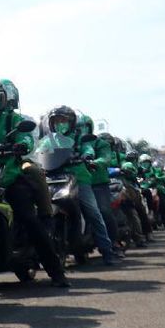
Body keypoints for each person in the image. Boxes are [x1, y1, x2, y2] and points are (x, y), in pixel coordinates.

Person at [0, 79, 69, 287]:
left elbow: (27, 138)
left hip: (9, 177)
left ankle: (56, 272)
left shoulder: (12, 119)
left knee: (29, 218)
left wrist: (21, 145)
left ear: (2, 99)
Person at [41, 107, 118, 265]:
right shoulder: (49, 140)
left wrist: (87, 156)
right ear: (51, 123)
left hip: (79, 178)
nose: (60, 124)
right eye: (56, 121)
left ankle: (107, 251)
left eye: (63, 120)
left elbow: (87, 148)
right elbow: (39, 152)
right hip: (54, 179)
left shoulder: (80, 138)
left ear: (71, 123)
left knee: (94, 213)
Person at [2, 78, 54, 224]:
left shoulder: (23, 119)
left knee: (33, 170)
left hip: (22, 159)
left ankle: (46, 215)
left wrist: (21, 145)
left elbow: (31, 141)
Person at [80, 116, 124, 254]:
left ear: (90, 127)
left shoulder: (100, 143)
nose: (81, 129)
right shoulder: (69, 141)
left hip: (97, 182)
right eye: (77, 126)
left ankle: (113, 243)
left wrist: (95, 162)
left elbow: (105, 158)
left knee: (104, 211)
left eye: (84, 126)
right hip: (76, 181)